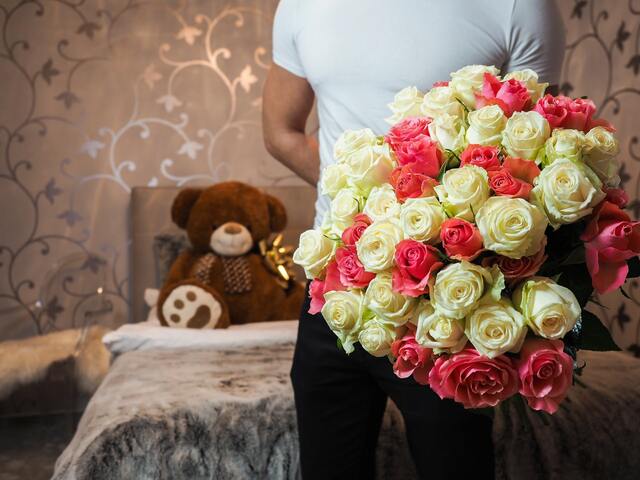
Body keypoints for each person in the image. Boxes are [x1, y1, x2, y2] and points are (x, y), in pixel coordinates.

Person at [262, 1, 565, 478]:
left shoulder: (517, 5)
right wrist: (361, 199)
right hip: (334, 291)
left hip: (449, 301)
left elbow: (533, 153)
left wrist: (424, 223)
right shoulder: (301, 5)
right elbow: (281, 131)